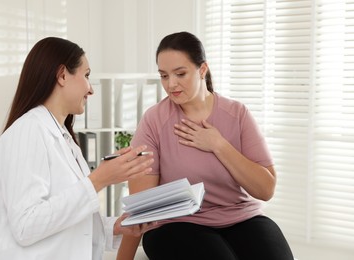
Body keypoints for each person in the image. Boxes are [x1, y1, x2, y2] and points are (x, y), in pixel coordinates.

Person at [116, 31, 294, 260]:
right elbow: (142, 205)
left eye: (180, 73)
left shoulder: (237, 114)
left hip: (241, 217)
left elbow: (265, 189)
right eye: (164, 75)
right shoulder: (154, 120)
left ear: (202, 69)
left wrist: (218, 144)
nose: (171, 84)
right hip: (177, 225)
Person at [0, 37, 155, 260]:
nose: (91, 89)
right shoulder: (28, 131)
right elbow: (26, 225)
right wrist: (98, 180)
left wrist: (117, 227)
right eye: (87, 75)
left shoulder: (64, 139)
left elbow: (67, 220)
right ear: (62, 75)